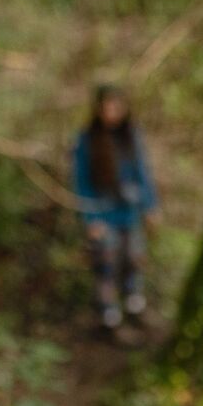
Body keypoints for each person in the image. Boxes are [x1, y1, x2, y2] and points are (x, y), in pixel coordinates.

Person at [71, 84, 159, 332]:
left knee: (133, 256)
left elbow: (142, 173)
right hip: (102, 211)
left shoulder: (131, 136)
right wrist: (90, 218)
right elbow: (81, 181)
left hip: (129, 211)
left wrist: (150, 206)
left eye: (116, 105)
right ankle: (107, 313)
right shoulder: (86, 140)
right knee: (106, 261)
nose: (111, 111)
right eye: (107, 106)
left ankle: (133, 305)